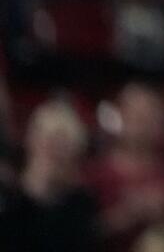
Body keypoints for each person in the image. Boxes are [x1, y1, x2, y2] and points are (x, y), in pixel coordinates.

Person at [86, 84, 164, 251]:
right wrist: (125, 215)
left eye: (148, 116)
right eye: (134, 114)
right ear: (118, 117)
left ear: (162, 123)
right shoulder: (95, 176)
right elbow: (79, 234)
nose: (140, 123)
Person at [0, 99, 102, 251]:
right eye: (45, 139)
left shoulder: (81, 207)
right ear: (30, 141)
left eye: (61, 143)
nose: (51, 148)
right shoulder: (6, 199)